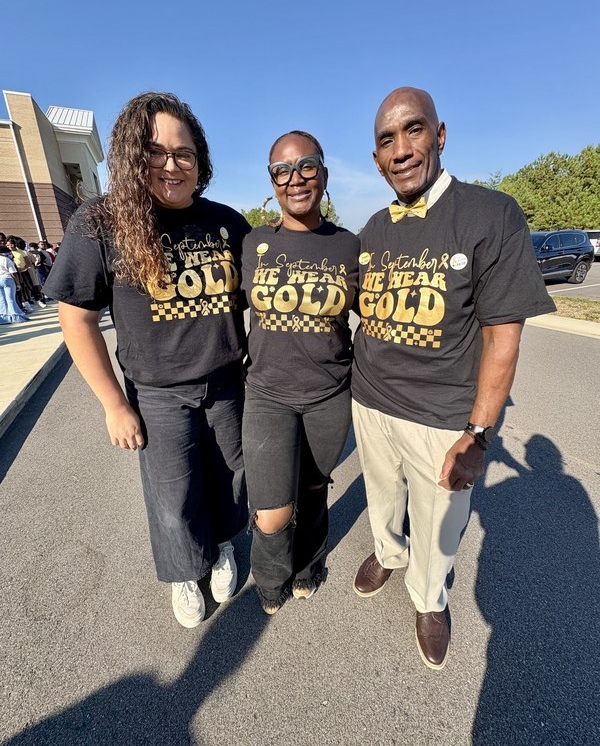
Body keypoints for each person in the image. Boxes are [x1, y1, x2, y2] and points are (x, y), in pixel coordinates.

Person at [351, 87, 556, 669]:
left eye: (413, 131)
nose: (400, 149)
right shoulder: (372, 228)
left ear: (440, 136)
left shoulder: (490, 214)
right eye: (386, 140)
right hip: (369, 403)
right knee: (382, 497)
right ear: (375, 159)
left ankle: (428, 596)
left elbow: (503, 337)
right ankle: (389, 555)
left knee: (440, 523)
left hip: (441, 417)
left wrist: (479, 434)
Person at [44, 91, 250, 628]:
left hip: (227, 381)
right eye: (156, 152)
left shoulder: (226, 222)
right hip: (158, 392)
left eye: (184, 153)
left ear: (200, 159)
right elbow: (77, 317)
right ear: (132, 157)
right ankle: (188, 569)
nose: (172, 165)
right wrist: (113, 403)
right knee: (174, 492)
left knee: (231, 476)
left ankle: (224, 545)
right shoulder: (102, 221)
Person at [241, 131, 359, 614]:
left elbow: (376, 323)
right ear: (272, 182)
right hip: (267, 395)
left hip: (329, 394)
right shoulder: (253, 243)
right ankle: (271, 579)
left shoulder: (350, 246)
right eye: (282, 171)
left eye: (307, 166)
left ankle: (309, 565)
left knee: (313, 491)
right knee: (272, 512)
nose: (295, 179)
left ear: (324, 175)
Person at [0, 244, 28, 324]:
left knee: (2, 300)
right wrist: (18, 283)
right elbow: (13, 273)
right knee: (10, 299)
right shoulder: (6, 260)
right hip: (7, 278)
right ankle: (15, 316)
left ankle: (4, 318)